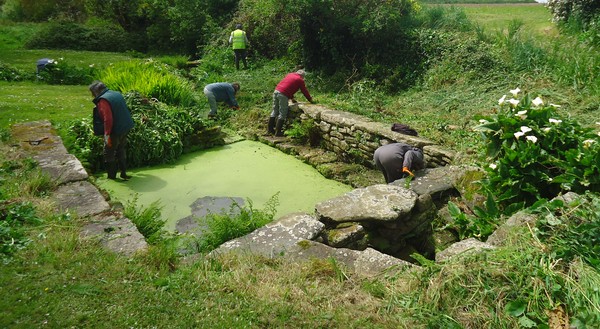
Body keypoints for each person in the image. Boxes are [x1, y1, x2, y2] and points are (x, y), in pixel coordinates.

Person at [89, 81, 135, 180]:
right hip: (125, 127)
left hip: (115, 130)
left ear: (96, 91)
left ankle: (112, 177)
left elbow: (108, 119)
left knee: (108, 152)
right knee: (121, 149)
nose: (92, 95)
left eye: (92, 93)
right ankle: (123, 173)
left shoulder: (103, 100)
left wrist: (106, 135)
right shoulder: (116, 94)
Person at [268, 69, 314, 136]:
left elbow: (288, 86)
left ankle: (270, 130)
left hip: (276, 91)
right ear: (302, 76)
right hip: (283, 94)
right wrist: (310, 99)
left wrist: (292, 98)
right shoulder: (300, 80)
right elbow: (304, 91)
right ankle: (278, 132)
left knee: (275, 111)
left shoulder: (290, 74)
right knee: (283, 112)